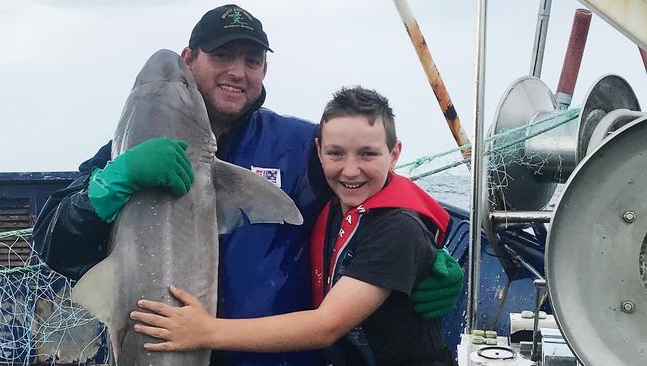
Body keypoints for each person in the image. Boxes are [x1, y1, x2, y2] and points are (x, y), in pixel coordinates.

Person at [33, 5, 463, 366]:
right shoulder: (128, 154)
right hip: (158, 346)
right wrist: (112, 183)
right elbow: (53, 242)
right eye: (224, 55)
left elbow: (377, 190)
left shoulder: (298, 145)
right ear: (189, 59)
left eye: (252, 60)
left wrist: (430, 253)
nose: (238, 72)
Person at [130, 86, 457, 365]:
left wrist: (205, 331)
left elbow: (326, 325)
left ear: (395, 154)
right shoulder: (332, 207)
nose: (350, 170)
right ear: (318, 152)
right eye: (336, 154)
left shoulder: (398, 229)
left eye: (368, 154)